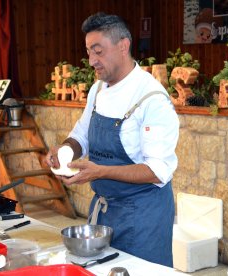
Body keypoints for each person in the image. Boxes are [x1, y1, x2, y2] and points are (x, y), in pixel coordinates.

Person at [46, 12, 179, 267]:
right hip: (105, 214)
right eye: (88, 52)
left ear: (123, 46)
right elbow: (80, 136)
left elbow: (157, 171)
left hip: (143, 218)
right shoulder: (97, 89)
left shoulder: (151, 98)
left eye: (98, 51)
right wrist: (63, 153)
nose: (92, 60)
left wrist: (99, 172)